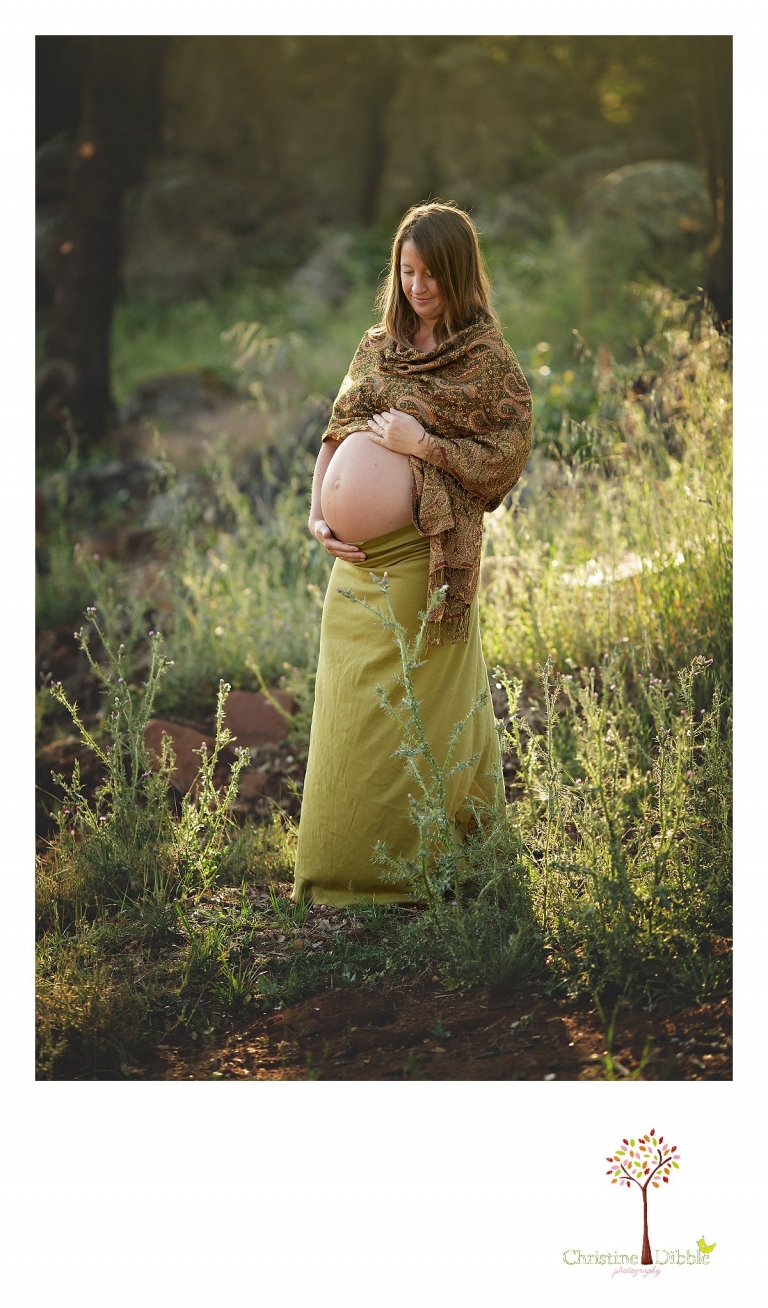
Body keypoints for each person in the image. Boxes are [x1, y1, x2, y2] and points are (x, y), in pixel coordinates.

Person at [291, 201, 532, 907]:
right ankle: (339, 869)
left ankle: (405, 874)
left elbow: (504, 454)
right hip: (352, 566)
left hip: (420, 560)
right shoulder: (377, 345)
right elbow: (336, 434)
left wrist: (421, 446)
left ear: (459, 275)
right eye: (407, 271)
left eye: (431, 273)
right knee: (350, 706)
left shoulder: (485, 360)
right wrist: (318, 510)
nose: (418, 287)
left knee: (408, 710)